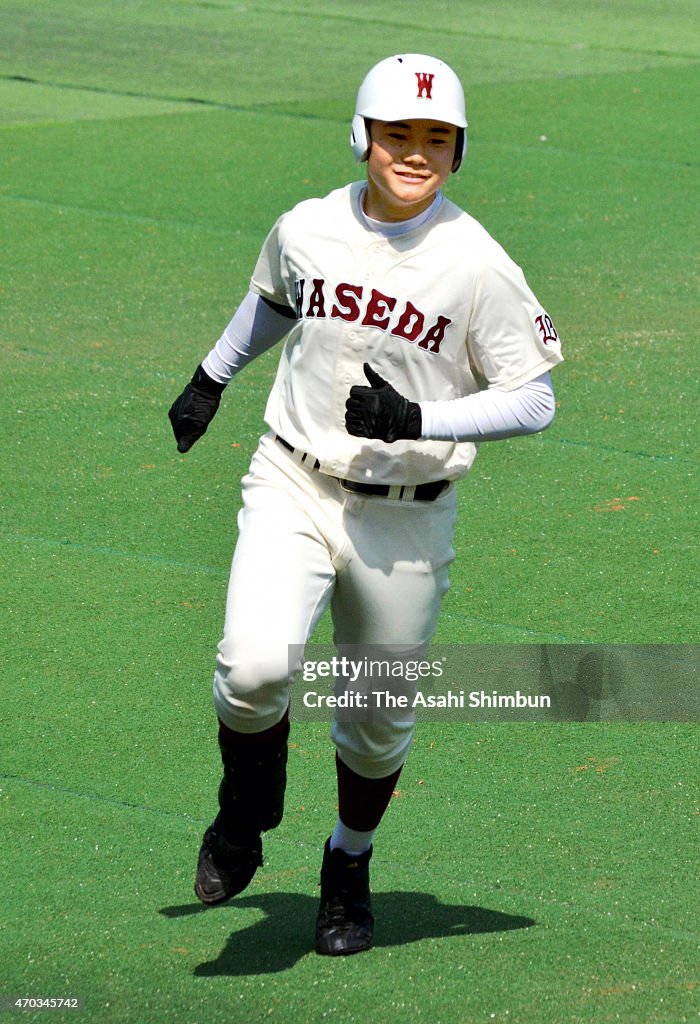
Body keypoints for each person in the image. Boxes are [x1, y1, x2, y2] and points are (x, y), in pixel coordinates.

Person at [168, 53, 563, 956]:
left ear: (459, 150)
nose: (414, 152)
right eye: (397, 134)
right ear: (362, 138)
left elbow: (534, 398)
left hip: (408, 515)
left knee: (376, 724)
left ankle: (348, 863)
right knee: (255, 669)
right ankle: (244, 811)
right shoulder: (307, 226)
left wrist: (419, 416)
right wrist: (211, 375)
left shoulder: (477, 264)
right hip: (294, 479)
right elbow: (275, 296)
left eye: (435, 138)